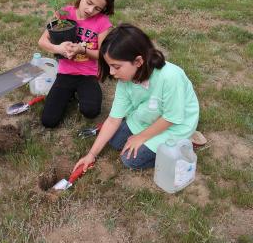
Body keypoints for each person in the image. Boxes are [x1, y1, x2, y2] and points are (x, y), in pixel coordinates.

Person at [74, 24, 199, 172]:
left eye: (116, 66)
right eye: (109, 66)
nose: (112, 72)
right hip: (148, 116)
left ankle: (185, 143)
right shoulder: (125, 80)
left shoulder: (171, 76)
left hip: (175, 124)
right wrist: (91, 154)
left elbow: (171, 117)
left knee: (130, 160)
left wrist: (141, 137)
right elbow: (114, 119)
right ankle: (147, 136)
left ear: (138, 61)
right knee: (115, 142)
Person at [38, 0, 115, 128]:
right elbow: (42, 41)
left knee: (91, 111)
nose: (90, 10)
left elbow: (103, 55)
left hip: (88, 74)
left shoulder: (103, 23)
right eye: (89, 2)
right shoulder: (64, 13)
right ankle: (70, 94)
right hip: (65, 72)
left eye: (98, 8)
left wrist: (82, 49)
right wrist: (59, 49)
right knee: (48, 121)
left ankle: (82, 93)